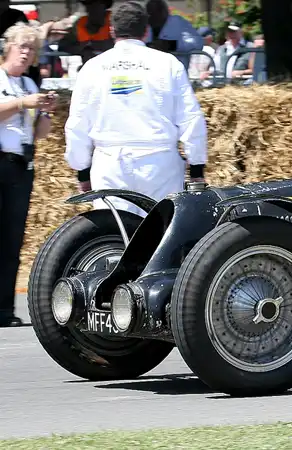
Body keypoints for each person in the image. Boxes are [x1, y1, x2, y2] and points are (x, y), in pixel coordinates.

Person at [63, 0, 207, 218]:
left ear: (112, 30)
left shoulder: (92, 67)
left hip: (110, 163)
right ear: (146, 30)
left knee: (113, 236)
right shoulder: (168, 64)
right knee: (161, 235)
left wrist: (82, 170)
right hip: (159, 164)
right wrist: (197, 168)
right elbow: (191, 118)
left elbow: (77, 123)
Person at [0, 22, 58, 327]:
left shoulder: (30, 86)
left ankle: (5, 310)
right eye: (22, 46)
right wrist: (23, 103)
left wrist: (46, 110)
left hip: (19, 165)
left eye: (32, 48)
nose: (26, 53)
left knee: (12, 240)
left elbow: (39, 133)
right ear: (8, 46)